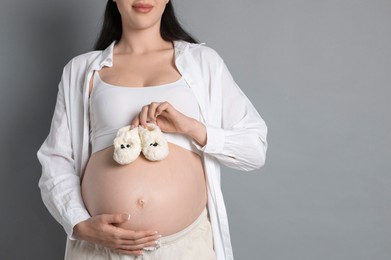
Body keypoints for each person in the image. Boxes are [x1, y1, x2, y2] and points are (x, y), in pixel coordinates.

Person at [37, 1, 268, 259]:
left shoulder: (202, 63)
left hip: (186, 249)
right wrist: (79, 224)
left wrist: (191, 127)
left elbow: (254, 148)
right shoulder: (81, 70)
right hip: (101, 249)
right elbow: (55, 160)